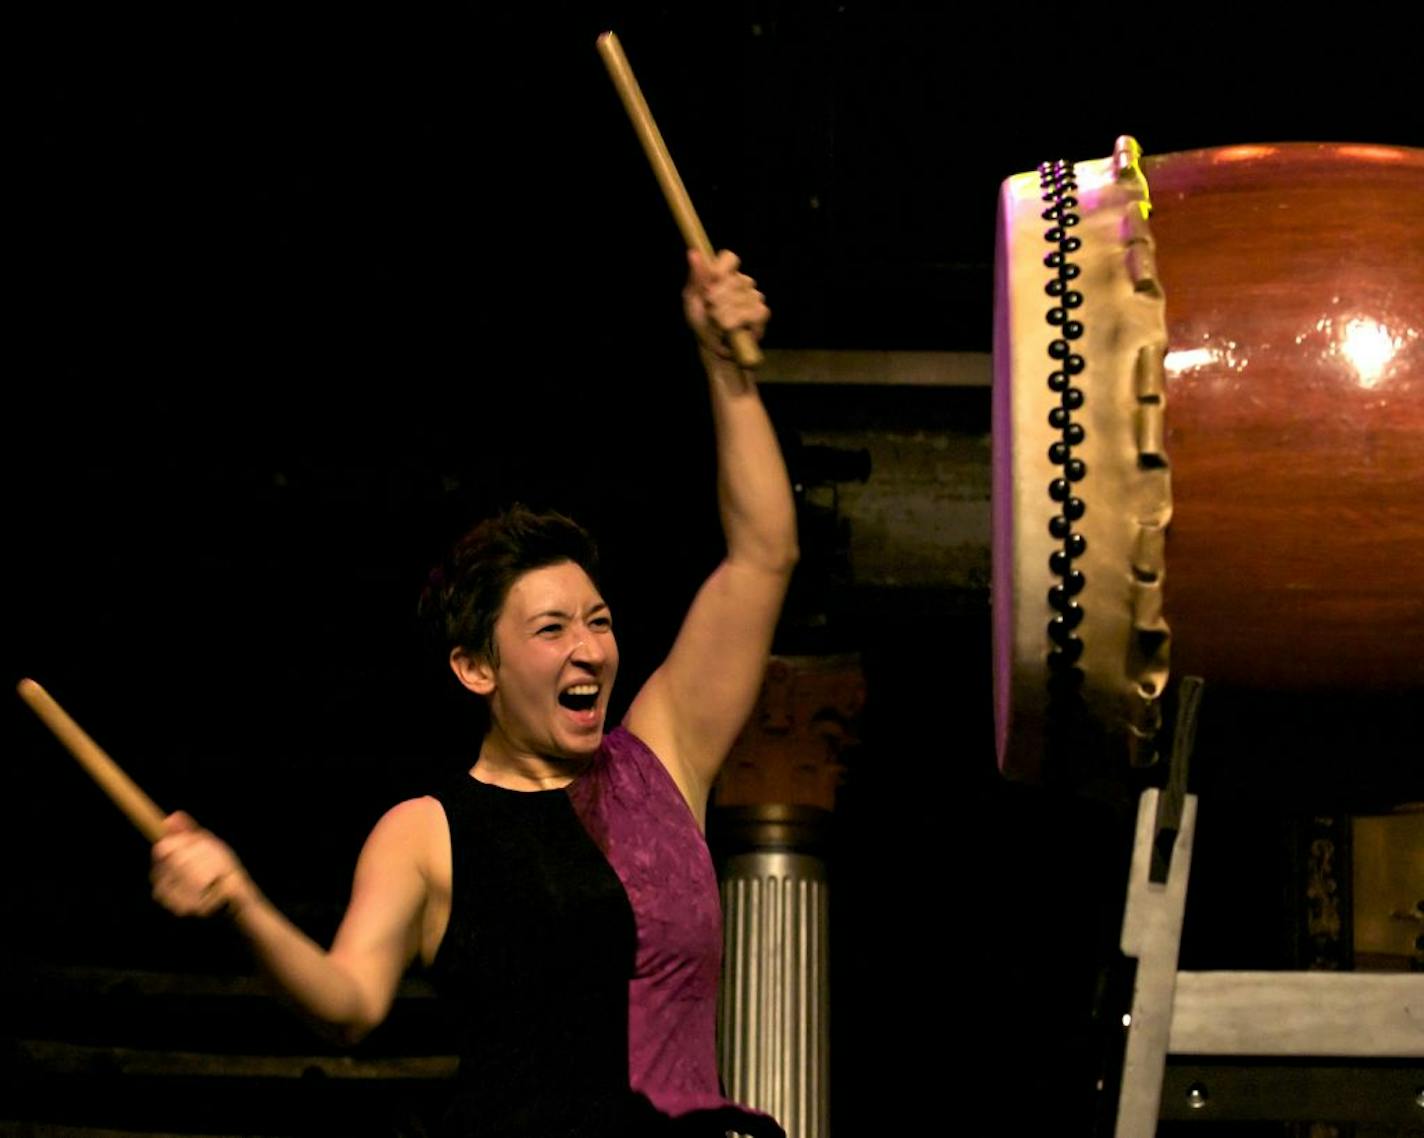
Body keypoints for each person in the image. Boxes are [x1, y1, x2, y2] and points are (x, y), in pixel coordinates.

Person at [150, 249, 797, 1137]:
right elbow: (346, 1004)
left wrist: (726, 368)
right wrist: (242, 904)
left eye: (598, 620)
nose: (590, 650)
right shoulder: (424, 833)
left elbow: (762, 555)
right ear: (475, 668)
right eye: (551, 629)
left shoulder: (661, 757)